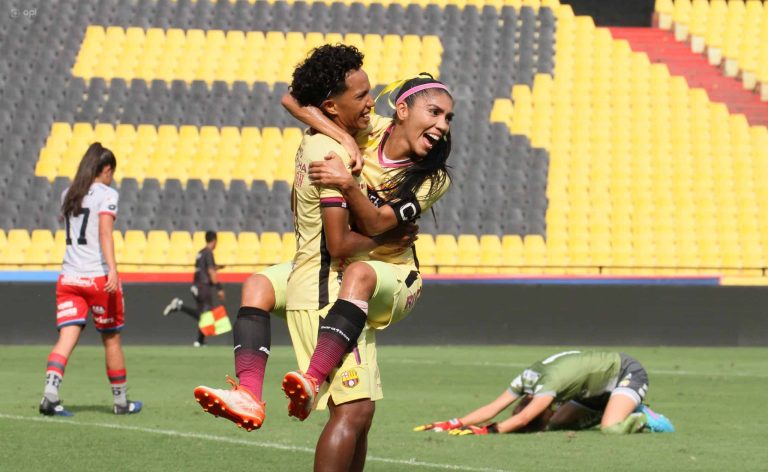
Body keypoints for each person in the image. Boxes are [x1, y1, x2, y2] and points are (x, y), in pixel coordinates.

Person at [191, 46, 416, 438]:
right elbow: (341, 245)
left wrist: (342, 135)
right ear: (331, 105)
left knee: (257, 284)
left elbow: (292, 101)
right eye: (361, 96)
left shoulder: (316, 140)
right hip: (327, 291)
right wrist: (387, 233)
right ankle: (311, 380)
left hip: (303, 274)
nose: (371, 102)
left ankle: (248, 391)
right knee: (354, 414)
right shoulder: (331, 156)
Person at [281, 51, 453, 471]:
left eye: (449, 118)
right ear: (402, 109)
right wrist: (338, 137)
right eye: (434, 112)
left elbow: (377, 221)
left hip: (397, 278)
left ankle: (312, 376)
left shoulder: (434, 176)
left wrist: (346, 183)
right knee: (360, 412)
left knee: (357, 272)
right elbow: (292, 100)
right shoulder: (368, 130)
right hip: (349, 276)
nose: (442, 126)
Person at [39, 142, 142, 416]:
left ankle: (50, 394)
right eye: (112, 172)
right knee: (111, 340)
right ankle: (121, 402)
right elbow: (105, 233)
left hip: (69, 278)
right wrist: (113, 269)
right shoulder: (107, 194)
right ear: (106, 170)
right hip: (96, 278)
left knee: (66, 337)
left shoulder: (68, 193)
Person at [413, 350, 675, 435]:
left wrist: (487, 431)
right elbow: (494, 408)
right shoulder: (527, 380)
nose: (521, 408)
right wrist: (452, 423)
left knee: (610, 428)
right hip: (594, 389)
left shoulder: (547, 387)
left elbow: (523, 419)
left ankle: (643, 416)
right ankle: (615, 407)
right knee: (558, 423)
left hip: (626, 373)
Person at [162, 230, 225, 347]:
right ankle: (179, 306)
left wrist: (217, 267)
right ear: (215, 240)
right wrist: (219, 288)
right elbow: (211, 271)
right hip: (203, 286)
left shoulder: (200, 253)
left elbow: (204, 269)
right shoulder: (208, 252)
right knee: (206, 315)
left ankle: (199, 341)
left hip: (196, 285)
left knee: (205, 314)